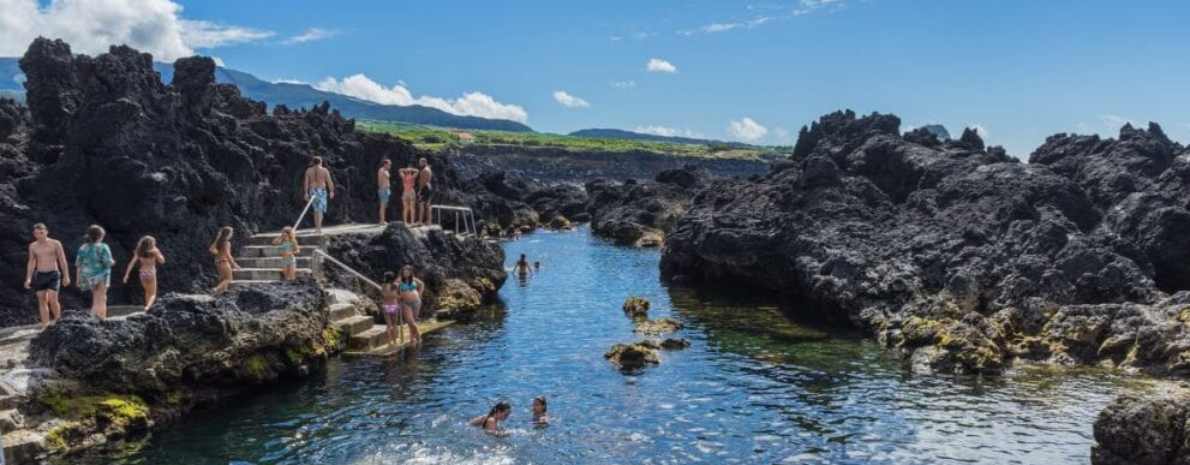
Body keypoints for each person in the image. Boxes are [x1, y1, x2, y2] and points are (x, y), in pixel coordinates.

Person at [24, 223, 70, 328]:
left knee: (52, 300)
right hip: (40, 275)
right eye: (36, 233)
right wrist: (28, 278)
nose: (39, 235)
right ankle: (46, 325)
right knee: (42, 300)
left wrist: (66, 275)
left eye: (41, 233)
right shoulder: (33, 246)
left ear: (46, 232)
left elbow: (62, 260)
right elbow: (31, 262)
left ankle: (59, 321)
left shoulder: (55, 243)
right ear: (34, 234)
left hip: (53, 274)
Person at [76, 225, 115, 319]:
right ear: (100, 236)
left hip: (87, 276)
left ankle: (96, 320)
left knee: (95, 299)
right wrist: (113, 262)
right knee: (101, 299)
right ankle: (99, 320)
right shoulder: (103, 247)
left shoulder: (83, 247)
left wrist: (78, 279)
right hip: (101, 276)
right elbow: (108, 263)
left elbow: (79, 264)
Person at [121, 236, 166, 312]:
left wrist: (126, 275)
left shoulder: (139, 251)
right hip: (151, 273)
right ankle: (148, 307)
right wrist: (157, 251)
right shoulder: (154, 251)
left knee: (147, 292)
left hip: (142, 274)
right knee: (153, 294)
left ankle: (147, 309)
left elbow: (131, 263)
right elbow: (162, 261)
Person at [303, 156, 335, 235]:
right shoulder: (324, 170)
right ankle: (319, 228)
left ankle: (317, 228)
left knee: (316, 210)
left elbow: (306, 182)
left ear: (313, 162)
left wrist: (306, 193)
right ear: (320, 162)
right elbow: (329, 181)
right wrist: (331, 191)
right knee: (320, 210)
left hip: (313, 191)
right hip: (321, 191)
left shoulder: (309, 170)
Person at [398, 265, 425, 345]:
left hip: (417, 303)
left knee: (414, 321)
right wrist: (399, 297)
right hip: (406, 303)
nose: (406, 274)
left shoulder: (413, 279)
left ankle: (411, 339)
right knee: (410, 321)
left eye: (408, 272)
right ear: (402, 273)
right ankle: (419, 337)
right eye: (405, 272)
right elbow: (393, 289)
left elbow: (422, 284)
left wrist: (419, 294)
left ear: (410, 273)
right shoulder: (399, 280)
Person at [210, 227, 240, 293]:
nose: (232, 234)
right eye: (231, 233)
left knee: (224, 279)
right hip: (224, 262)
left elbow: (211, 249)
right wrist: (234, 264)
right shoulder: (227, 243)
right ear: (228, 234)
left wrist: (219, 253)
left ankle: (223, 291)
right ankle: (215, 289)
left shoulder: (219, 242)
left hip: (217, 262)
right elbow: (228, 255)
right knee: (229, 278)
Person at [380, 271, 402, 348]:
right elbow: (397, 295)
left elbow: (384, 294)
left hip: (386, 305)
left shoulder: (383, 285)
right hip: (394, 305)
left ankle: (389, 343)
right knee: (395, 325)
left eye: (384, 276)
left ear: (386, 278)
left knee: (388, 325)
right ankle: (395, 342)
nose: (383, 277)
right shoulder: (396, 285)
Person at [417, 158, 434, 226]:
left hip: (425, 188)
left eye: (420, 162)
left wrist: (420, 190)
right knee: (428, 205)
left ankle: (420, 222)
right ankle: (429, 221)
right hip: (429, 188)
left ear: (424, 162)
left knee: (421, 204)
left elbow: (423, 181)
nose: (419, 164)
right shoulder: (429, 169)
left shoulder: (424, 170)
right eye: (419, 162)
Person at [377, 159, 392, 225]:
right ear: (385, 164)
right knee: (382, 205)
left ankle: (383, 220)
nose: (390, 166)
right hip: (383, 189)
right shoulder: (381, 170)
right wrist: (381, 188)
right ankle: (381, 221)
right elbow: (379, 180)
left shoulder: (386, 171)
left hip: (387, 189)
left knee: (385, 205)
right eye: (389, 164)